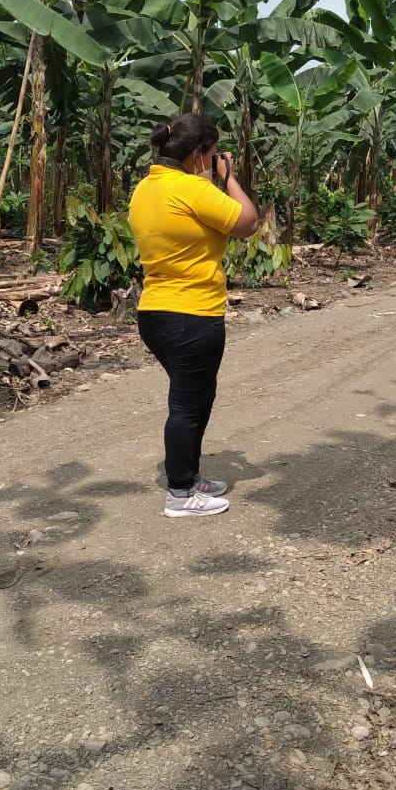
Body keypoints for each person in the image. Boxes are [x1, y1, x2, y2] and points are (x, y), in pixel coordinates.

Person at [129, 114, 258, 517]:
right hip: (192, 313)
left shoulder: (146, 188)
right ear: (200, 154)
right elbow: (248, 222)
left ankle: (190, 476)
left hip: (155, 312)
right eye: (213, 153)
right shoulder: (191, 189)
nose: (215, 159)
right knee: (187, 405)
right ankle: (181, 492)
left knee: (197, 396)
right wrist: (229, 177)